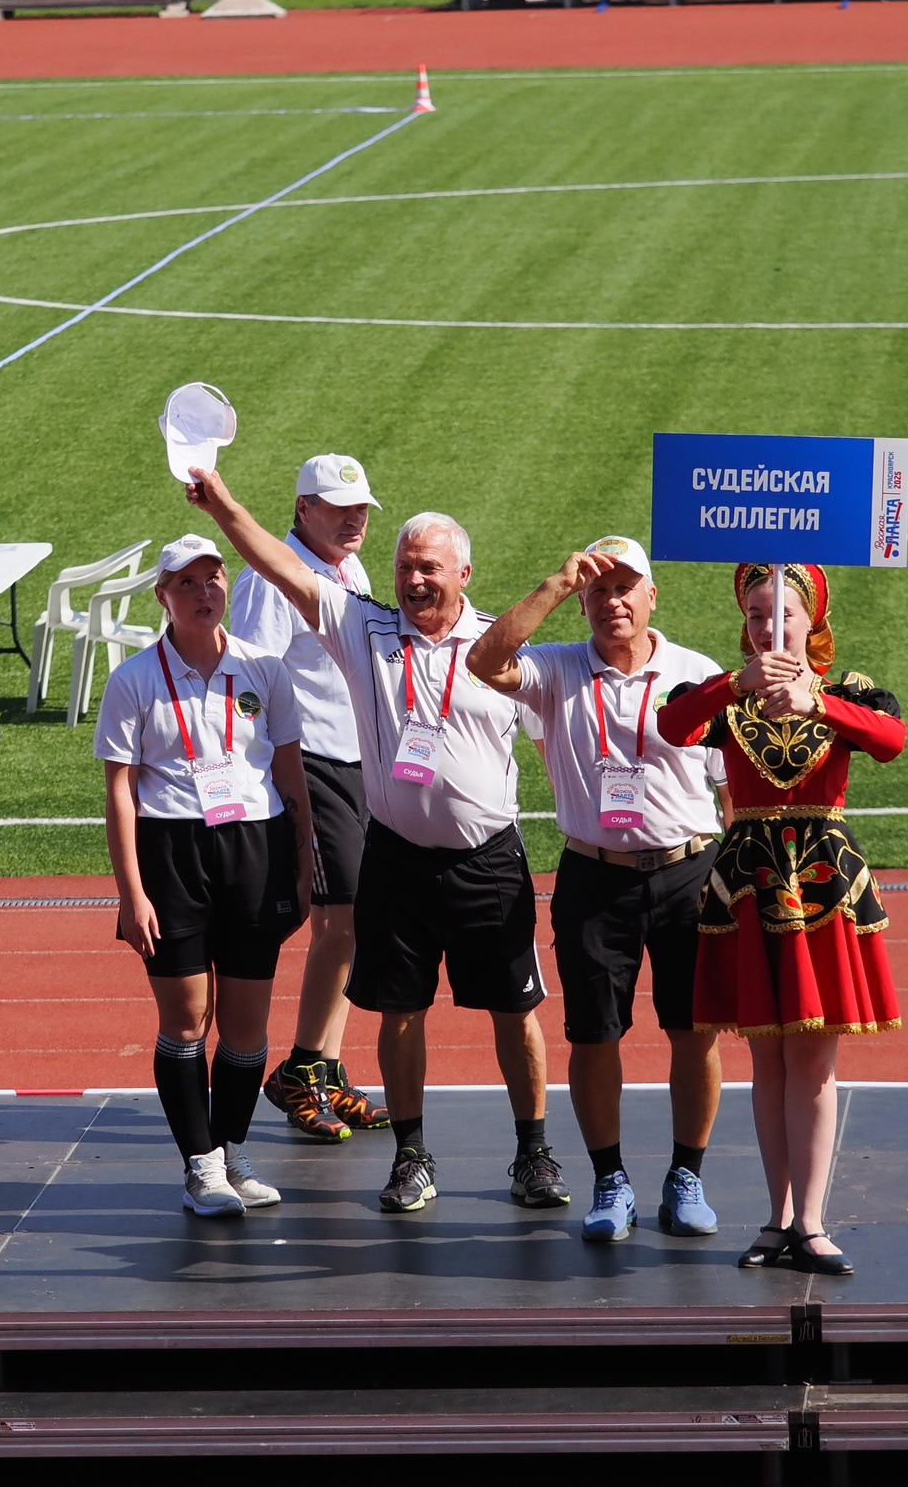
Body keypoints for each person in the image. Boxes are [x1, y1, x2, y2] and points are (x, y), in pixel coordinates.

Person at [184, 471, 567, 1217]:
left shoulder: (502, 645)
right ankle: (412, 1156)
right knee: (400, 1011)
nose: (415, 580)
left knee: (516, 1012)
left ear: (464, 574)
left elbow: (560, 734)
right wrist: (223, 504)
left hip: (489, 858)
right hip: (397, 858)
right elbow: (279, 564)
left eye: (431, 568)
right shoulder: (363, 628)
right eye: (405, 567)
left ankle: (533, 1153)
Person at [469, 536, 728, 1243]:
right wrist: (555, 583)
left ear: (652, 597)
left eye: (625, 587)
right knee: (593, 1036)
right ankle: (610, 1180)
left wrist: (738, 876)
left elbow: (730, 786)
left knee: (695, 1031)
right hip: (594, 876)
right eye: (599, 589)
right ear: (583, 601)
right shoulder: (556, 668)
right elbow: (484, 661)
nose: (613, 601)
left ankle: (686, 1177)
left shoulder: (697, 674)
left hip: (689, 871)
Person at [655, 562, 904, 1277]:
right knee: (766, 1059)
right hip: (750, 889)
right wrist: (737, 685)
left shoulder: (847, 693)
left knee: (814, 1061)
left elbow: (891, 739)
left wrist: (815, 702)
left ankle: (811, 1222)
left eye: (783, 614)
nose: (770, 628)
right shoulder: (725, 698)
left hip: (822, 886)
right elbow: (671, 724)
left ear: (811, 619)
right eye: (757, 615)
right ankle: (776, 1216)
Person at [96, 534, 316, 1215]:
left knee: (247, 1026)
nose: (202, 593)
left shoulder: (264, 669)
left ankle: (231, 1151)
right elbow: (119, 791)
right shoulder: (134, 679)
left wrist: (304, 861)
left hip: (257, 848)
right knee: (188, 1018)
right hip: (172, 852)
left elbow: (290, 770)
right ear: (162, 595)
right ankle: (200, 1164)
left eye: (212, 578)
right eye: (185, 583)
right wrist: (132, 893)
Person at [227, 455, 392, 1145]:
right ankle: (300, 1070)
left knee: (352, 923)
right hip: (313, 763)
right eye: (338, 507)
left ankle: (324, 1067)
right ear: (303, 508)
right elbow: (249, 680)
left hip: (359, 761)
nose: (354, 519)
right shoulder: (270, 580)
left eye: (360, 508)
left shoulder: (350, 570)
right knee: (343, 918)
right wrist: (273, 776)